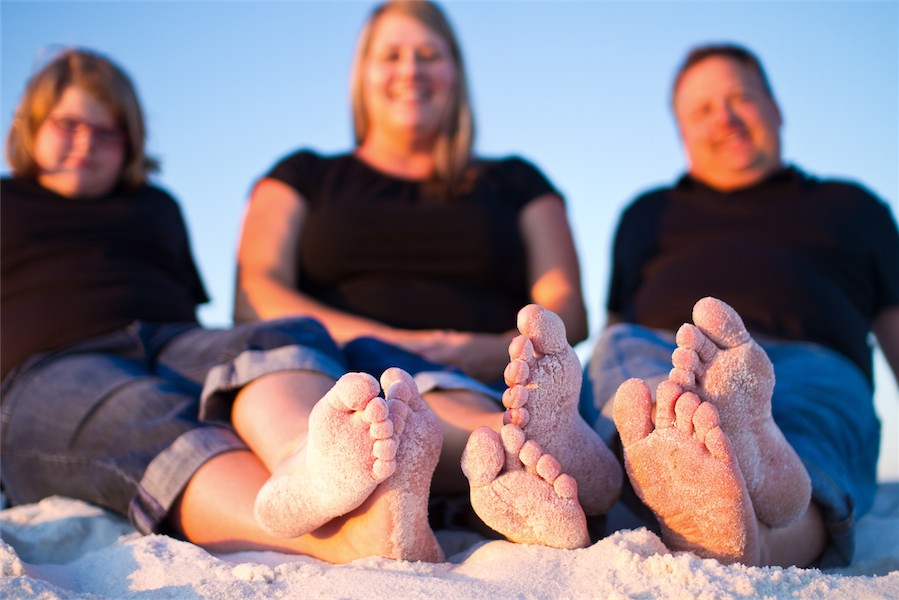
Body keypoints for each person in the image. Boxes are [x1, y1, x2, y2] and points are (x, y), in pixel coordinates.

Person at [0, 47, 617, 565]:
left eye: (108, 131)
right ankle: (350, 535)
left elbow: (200, 309)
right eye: (67, 125)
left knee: (276, 338)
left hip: (169, 335)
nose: (87, 144)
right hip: (52, 361)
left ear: (131, 140)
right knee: (140, 416)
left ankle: (305, 460)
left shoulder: (156, 206)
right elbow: (254, 282)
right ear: (30, 126)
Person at [233, 0, 619, 513]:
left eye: (428, 54)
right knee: (377, 384)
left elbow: (566, 306)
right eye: (391, 55)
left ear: (455, 73)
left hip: (485, 372)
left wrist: (493, 350)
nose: (410, 69)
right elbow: (255, 290)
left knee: (438, 394)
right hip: (335, 369)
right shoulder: (301, 174)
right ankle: (522, 459)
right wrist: (396, 341)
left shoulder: (516, 181)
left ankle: (528, 454)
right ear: (362, 74)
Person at [581, 43, 899, 568]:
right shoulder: (647, 214)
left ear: (775, 109)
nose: (725, 118)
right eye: (703, 110)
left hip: (814, 359)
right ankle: (682, 458)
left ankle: (751, 507)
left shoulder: (853, 206)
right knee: (635, 382)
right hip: (663, 350)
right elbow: (613, 331)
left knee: (810, 426)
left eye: (740, 98)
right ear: (683, 133)